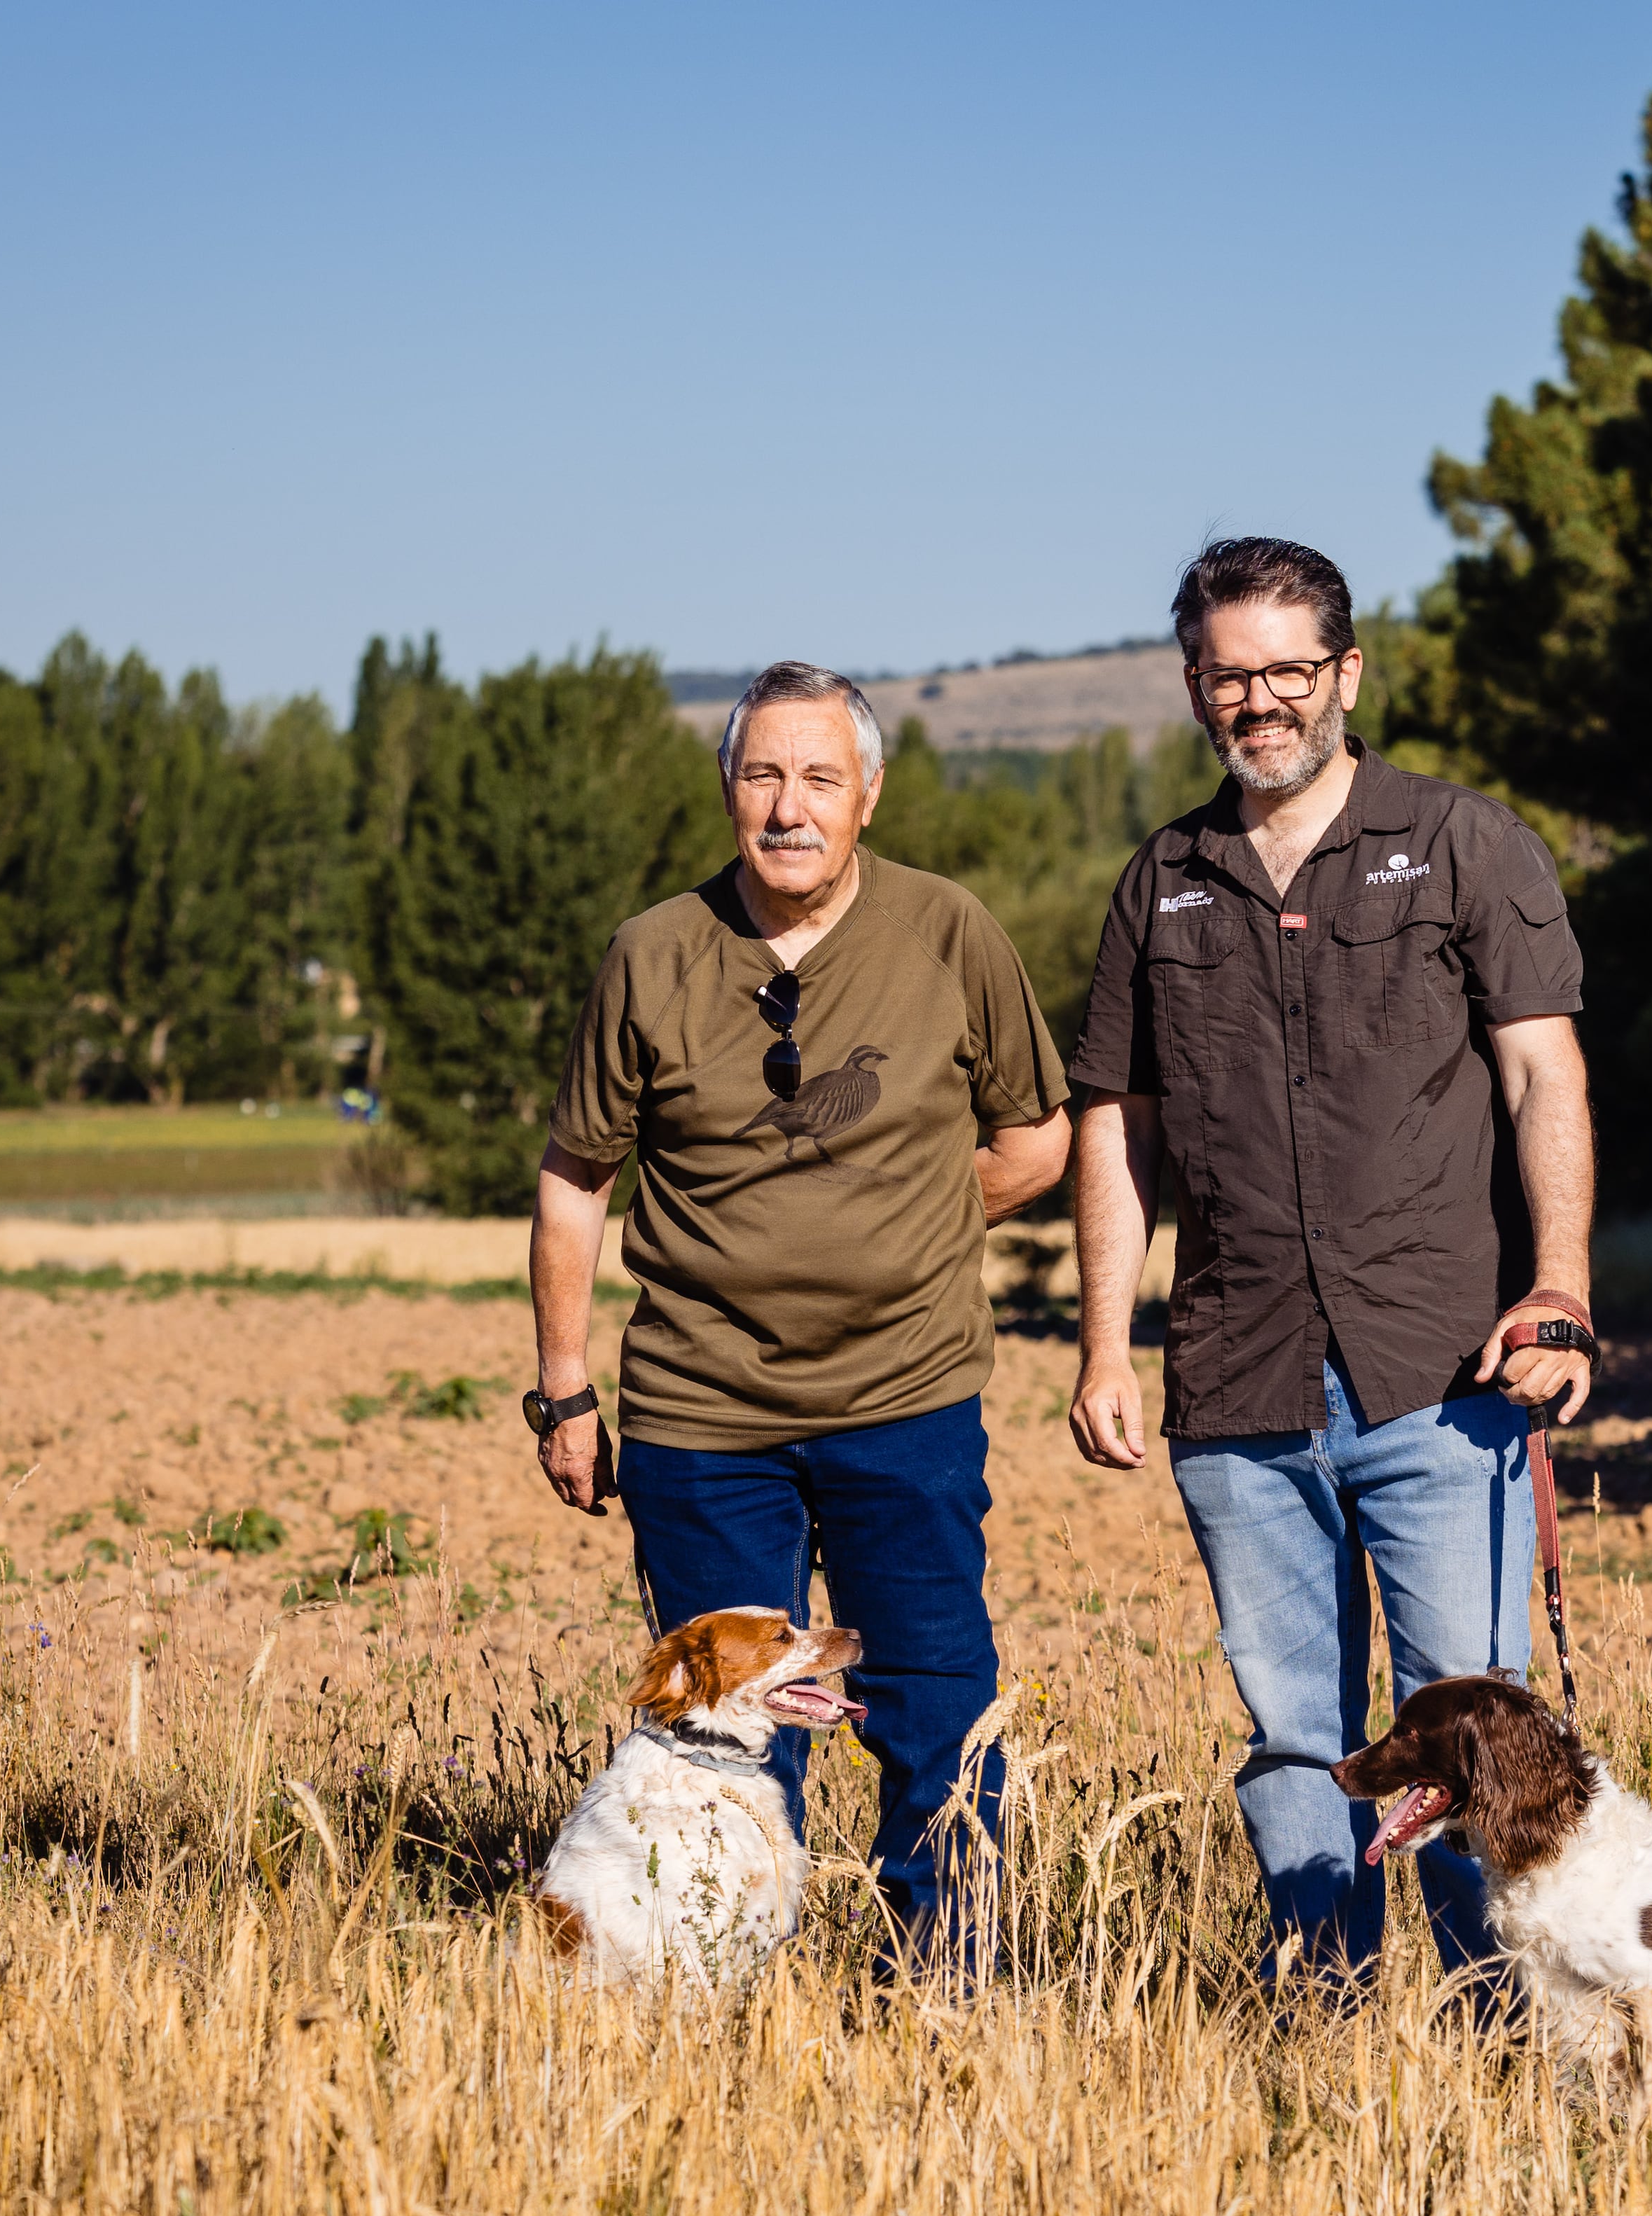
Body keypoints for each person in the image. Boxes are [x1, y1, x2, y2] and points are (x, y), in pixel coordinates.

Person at [1064, 538, 1596, 1987]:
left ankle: (1504, 2032)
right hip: (1237, 1381)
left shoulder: (1463, 843)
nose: (1259, 702)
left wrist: (1560, 1289)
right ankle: (1325, 2019)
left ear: (1345, 673)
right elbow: (1116, 1125)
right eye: (1228, 676)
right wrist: (1105, 1341)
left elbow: (1545, 1075)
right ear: (1193, 686)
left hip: (1442, 1373)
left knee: (1474, 1728)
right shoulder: (1158, 882)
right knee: (1296, 1734)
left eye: (1287, 670)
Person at [527, 659, 1071, 1965]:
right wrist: (563, 1385)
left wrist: (916, 1231)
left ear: (869, 794)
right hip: (701, 1417)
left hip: (907, 1404)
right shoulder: (653, 953)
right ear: (728, 790)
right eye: (763, 774)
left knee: (936, 1701)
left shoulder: (949, 932)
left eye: (820, 776)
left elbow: (1038, 1137)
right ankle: (712, 1982)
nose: (790, 806)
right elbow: (575, 1178)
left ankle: (945, 1984)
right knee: (721, 1726)